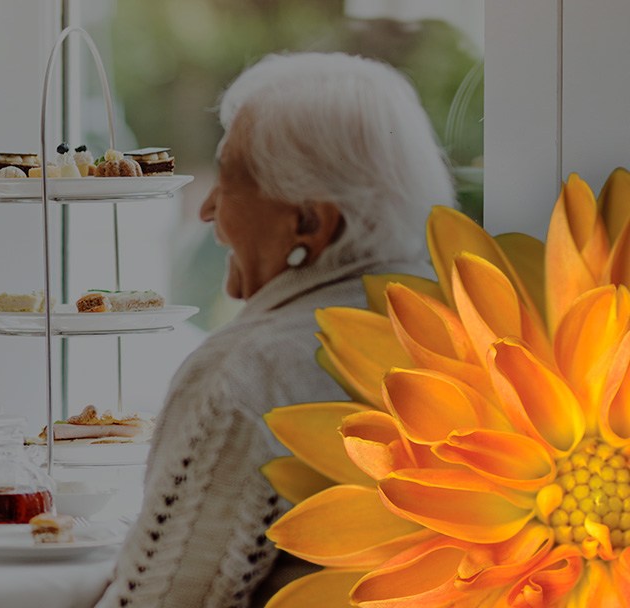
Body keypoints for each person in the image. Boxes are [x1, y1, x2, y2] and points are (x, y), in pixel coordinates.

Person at [98, 53, 455, 607]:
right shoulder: (460, 329)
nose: (208, 210)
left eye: (230, 179)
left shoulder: (251, 371)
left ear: (310, 222)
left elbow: (162, 596)